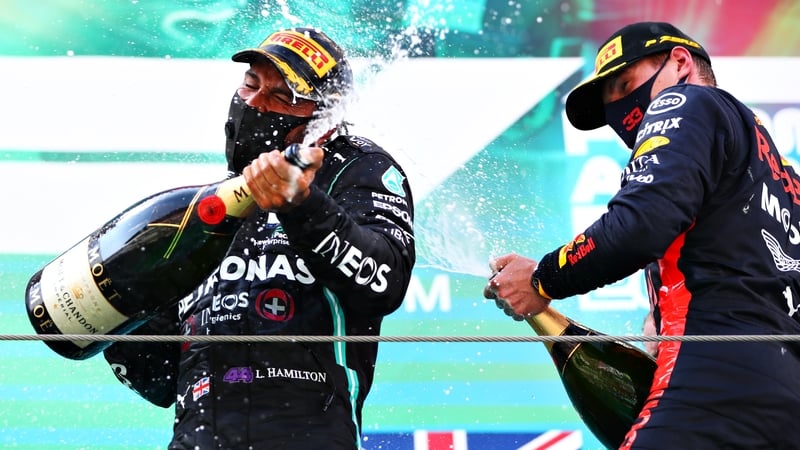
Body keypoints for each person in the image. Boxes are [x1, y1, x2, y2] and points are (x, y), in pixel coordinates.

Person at [483, 21, 800, 449]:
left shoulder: (686, 102)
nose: (620, 110)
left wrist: (541, 278)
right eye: (609, 103)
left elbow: (639, 225)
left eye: (626, 85)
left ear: (681, 63)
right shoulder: (781, 178)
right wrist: (664, 321)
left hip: (711, 386)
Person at [102, 27, 416, 450]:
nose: (255, 103)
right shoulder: (207, 209)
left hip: (308, 437)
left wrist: (300, 204)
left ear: (325, 119)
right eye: (251, 84)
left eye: (281, 96)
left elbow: (384, 280)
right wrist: (116, 315)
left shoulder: (356, 167)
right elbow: (160, 379)